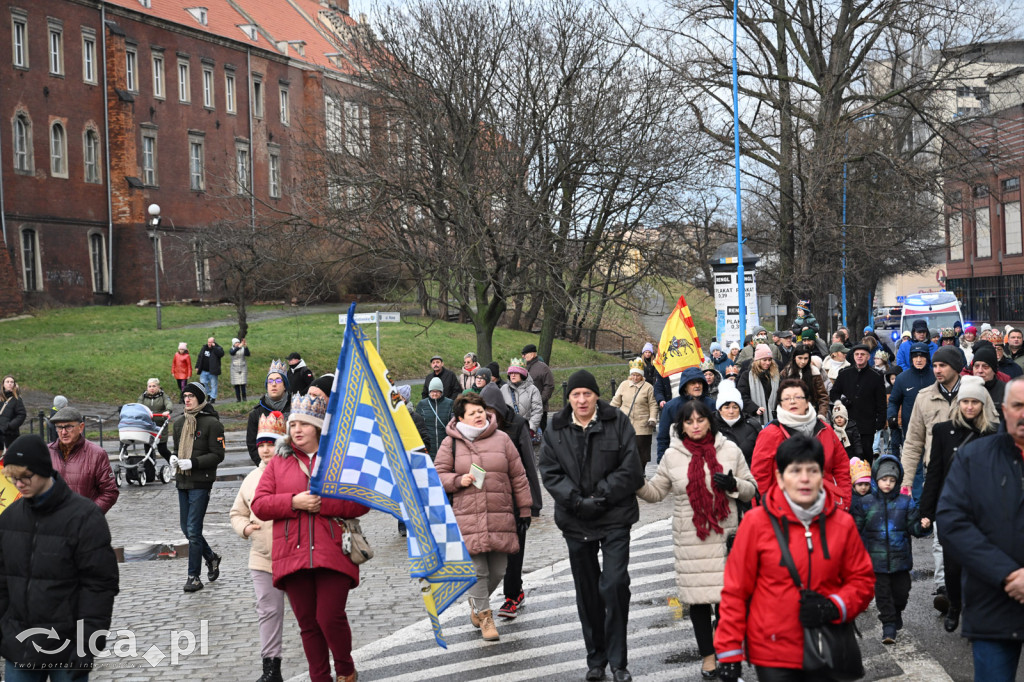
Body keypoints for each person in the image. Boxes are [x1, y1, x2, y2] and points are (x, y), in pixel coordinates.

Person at [714, 434, 875, 682]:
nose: (804, 479)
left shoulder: (842, 524)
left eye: (812, 470)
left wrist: (833, 606)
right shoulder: (756, 524)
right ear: (779, 477)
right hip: (773, 653)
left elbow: (862, 580)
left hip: (828, 647)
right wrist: (729, 652)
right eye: (795, 471)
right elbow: (736, 591)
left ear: (822, 475)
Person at [251, 394, 370, 682]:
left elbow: (362, 500)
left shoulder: (337, 458)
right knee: (308, 624)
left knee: (329, 617)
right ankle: (320, 678)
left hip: (333, 551)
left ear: (318, 427)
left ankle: (345, 669)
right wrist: (293, 502)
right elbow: (260, 504)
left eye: (304, 424)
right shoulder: (278, 463)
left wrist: (322, 504)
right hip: (292, 554)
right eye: (294, 425)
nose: (298, 430)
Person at [637, 400, 756, 678]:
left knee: (727, 603)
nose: (695, 426)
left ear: (709, 421)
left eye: (700, 420)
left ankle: (727, 656)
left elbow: (752, 489)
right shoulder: (672, 456)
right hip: (691, 539)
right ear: (682, 426)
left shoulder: (729, 449)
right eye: (689, 422)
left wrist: (734, 486)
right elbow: (656, 493)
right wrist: (636, 482)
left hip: (726, 537)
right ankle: (709, 657)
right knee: (699, 603)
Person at [539, 370, 644, 682]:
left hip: (614, 516)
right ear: (568, 398)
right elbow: (550, 471)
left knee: (613, 586)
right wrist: (576, 501)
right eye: (575, 395)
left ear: (597, 395)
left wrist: (601, 495)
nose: (582, 400)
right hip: (575, 519)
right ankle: (595, 660)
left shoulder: (617, 421)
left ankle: (618, 662)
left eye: (587, 393)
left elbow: (632, 468)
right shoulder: (555, 428)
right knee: (587, 592)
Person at [0, 434, 120, 678]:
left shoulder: (85, 517)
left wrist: (87, 645)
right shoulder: (9, 518)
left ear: (44, 471)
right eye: (13, 478)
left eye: (25, 477)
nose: (19, 484)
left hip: (67, 648)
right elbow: (2, 583)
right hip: (19, 646)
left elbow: (99, 586)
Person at [936, 376, 1024, 682]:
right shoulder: (974, 457)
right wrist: (1008, 574)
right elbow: (951, 522)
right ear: (1003, 409)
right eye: (1018, 406)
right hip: (992, 605)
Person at [434, 393, 533, 642]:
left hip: (499, 515)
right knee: (478, 570)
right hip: (467, 516)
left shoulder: (501, 439)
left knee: (499, 570)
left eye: (481, 411)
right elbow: (436, 475)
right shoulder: (451, 443)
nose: (479, 415)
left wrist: (525, 509)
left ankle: (476, 604)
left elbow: (519, 476)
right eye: (472, 413)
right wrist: (458, 480)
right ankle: (485, 616)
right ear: (460, 418)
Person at [918, 376, 997, 634]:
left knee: (979, 565)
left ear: (983, 404)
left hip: (983, 509)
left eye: (975, 402)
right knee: (952, 566)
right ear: (959, 403)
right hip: (951, 507)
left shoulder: (993, 433)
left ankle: (975, 614)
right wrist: (926, 511)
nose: (970, 407)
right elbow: (934, 473)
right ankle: (954, 605)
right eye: (966, 402)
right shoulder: (942, 431)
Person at [898, 344, 964, 611]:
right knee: (939, 534)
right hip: (936, 476)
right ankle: (944, 586)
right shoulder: (924, 397)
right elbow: (913, 442)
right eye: (934, 365)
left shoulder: (973, 394)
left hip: (970, 476)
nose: (936, 369)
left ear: (956, 367)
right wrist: (905, 483)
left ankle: (968, 586)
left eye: (942, 365)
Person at [230, 411, 288, 682]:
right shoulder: (251, 478)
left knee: (307, 614)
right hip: (262, 557)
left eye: (271, 444)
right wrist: (244, 527)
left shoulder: (293, 473)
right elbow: (237, 512)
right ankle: (270, 669)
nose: (265, 449)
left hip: (294, 554)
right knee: (268, 611)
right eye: (261, 444)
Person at [478, 384, 542, 621]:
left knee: (514, 550)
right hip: (488, 501)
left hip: (515, 500)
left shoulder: (517, 426)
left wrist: (532, 504)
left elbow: (528, 466)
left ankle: (512, 595)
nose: (486, 417)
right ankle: (484, 600)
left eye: (490, 412)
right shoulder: (475, 427)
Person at [851, 455, 926, 644]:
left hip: (901, 561)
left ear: (898, 481)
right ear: (876, 479)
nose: (888, 483)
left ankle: (897, 612)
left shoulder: (905, 502)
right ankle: (889, 628)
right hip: (876, 563)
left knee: (901, 593)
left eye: (892, 480)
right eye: (884, 479)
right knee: (883, 596)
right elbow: (854, 529)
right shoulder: (866, 503)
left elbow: (914, 529)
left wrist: (924, 526)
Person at [752, 379, 852, 511]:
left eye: (798, 397)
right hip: (784, 510)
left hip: (825, 507)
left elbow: (841, 468)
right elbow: (760, 477)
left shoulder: (825, 429)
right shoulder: (770, 434)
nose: (792, 401)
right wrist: (765, 511)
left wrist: (844, 501)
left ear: (807, 402)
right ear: (780, 404)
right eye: (786, 398)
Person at [170, 382, 224, 593]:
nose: (187, 399)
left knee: (193, 529)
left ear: (200, 398)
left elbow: (218, 455)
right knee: (187, 529)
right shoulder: (179, 422)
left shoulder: (212, 423)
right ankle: (211, 557)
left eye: (192, 396)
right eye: (185, 396)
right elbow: (176, 449)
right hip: (182, 480)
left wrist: (194, 462)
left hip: (201, 481)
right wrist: (174, 458)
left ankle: (193, 577)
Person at [47, 406, 119, 513]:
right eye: (59, 427)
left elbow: (110, 492)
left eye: (68, 427)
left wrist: (89, 514)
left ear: (81, 427)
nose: (63, 432)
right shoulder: (46, 452)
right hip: (53, 524)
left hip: (84, 525)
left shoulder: (97, 454)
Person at [829, 344, 886, 461]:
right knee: (846, 456)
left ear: (868, 357)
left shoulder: (876, 376)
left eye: (862, 354)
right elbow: (834, 393)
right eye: (857, 354)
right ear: (853, 356)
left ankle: (866, 479)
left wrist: (880, 422)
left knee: (866, 456)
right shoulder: (844, 373)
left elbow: (881, 402)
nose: (859, 357)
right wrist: (841, 401)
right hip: (846, 423)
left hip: (867, 424)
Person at [657, 366, 717, 463]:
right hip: (679, 460)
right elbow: (663, 438)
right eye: (693, 383)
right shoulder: (670, 407)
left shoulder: (712, 405)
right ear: (685, 386)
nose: (697, 385)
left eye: (700, 382)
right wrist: (661, 462)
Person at [887, 342, 934, 462]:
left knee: (933, 464)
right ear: (911, 358)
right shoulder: (902, 378)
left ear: (927, 357)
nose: (918, 360)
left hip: (934, 427)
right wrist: (892, 416)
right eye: (915, 356)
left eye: (922, 356)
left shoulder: (936, 377)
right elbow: (893, 401)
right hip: (911, 428)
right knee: (915, 465)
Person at [610, 358, 658, 468]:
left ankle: (641, 471)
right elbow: (615, 401)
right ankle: (627, 470)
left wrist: (652, 418)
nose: (635, 378)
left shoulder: (648, 387)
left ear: (641, 375)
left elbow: (652, 404)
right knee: (625, 449)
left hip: (643, 425)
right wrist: (608, 414)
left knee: (642, 451)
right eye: (633, 375)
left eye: (637, 375)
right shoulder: (624, 385)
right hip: (625, 424)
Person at [396, 384, 431, 537]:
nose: (398, 400)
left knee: (416, 494)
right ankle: (402, 524)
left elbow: (425, 439)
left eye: (401, 397)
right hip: (398, 462)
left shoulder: (416, 417)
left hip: (414, 461)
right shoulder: (393, 417)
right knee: (402, 495)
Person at [247, 360, 292, 466]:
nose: (274, 384)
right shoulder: (256, 414)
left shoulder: (295, 409)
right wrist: (264, 466)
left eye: (278, 381)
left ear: (285, 385)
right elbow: (252, 445)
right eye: (270, 381)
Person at [713, 381, 761, 467]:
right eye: (726, 407)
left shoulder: (753, 426)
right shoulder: (710, 427)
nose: (731, 411)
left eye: (735, 407)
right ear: (719, 410)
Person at [737, 345, 779, 428]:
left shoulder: (775, 376)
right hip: (754, 420)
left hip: (775, 419)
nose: (768, 363)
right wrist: (754, 408)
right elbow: (742, 395)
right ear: (757, 360)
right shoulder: (746, 376)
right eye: (764, 360)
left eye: (770, 360)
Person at [779, 347, 828, 418]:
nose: (803, 361)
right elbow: (780, 395)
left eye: (806, 358)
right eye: (800, 358)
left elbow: (823, 396)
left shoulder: (814, 373)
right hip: (790, 413)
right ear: (794, 358)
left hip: (810, 413)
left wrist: (821, 414)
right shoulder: (786, 372)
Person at [500, 357, 543, 437]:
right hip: (508, 432)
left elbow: (537, 410)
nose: (512, 375)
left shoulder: (532, 390)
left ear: (522, 374)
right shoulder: (504, 389)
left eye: (516, 372)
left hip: (526, 431)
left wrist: (531, 428)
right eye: (511, 372)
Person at [415, 377, 453, 458]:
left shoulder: (449, 404)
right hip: (428, 447)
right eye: (432, 391)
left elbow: (453, 424)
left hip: (445, 446)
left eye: (437, 391)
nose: (434, 394)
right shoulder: (422, 404)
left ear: (441, 392)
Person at [139, 378, 174, 462]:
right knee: (148, 452)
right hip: (148, 426)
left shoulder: (163, 396)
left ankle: (174, 463)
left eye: (154, 386)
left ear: (158, 387)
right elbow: (139, 405)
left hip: (160, 425)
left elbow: (169, 403)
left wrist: (167, 411)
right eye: (149, 386)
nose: (152, 388)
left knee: (162, 450)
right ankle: (150, 473)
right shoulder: (143, 396)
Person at [523, 344, 556, 431]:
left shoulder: (543, 367)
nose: (523, 356)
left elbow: (549, 386)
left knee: (540, 437)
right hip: (525, 410)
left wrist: (539, 401)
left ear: (533, 354)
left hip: (539, 410)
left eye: (525, 353)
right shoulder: (524, 368)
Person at [972, 346, 1007, 416]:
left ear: (994, 370)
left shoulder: (1006, 390)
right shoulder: (965, 389)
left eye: (985, 367)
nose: (980, 371)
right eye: (976, 366)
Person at [0, 374, 26, 450]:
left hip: (9, 435)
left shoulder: (17, 399)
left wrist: (10, 426)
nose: (10, 383)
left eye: (12, 382)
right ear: (3, 384)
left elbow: (22, 414)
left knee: (7, 458)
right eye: (7, 382)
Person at [195, 336, 225, 402]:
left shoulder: (218, 348)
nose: (209, 344)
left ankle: (213, 398)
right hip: (203, 370)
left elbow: (221, 354)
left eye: (211, 342)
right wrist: (197, 366)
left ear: (214, 342)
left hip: (213, 370)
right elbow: (200, 357)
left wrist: (214, 347)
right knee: (203, 383)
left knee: (214, 385)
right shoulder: (204, 348)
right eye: (208, 342)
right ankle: (209, 394)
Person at [230, 337, 251, 402]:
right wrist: (238, 347)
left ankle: (244, 398)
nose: (238, 343)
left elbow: (248, 354)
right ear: (233, 344)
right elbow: (232, 352)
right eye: (236, 343)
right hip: (234, 368)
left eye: (238, 342)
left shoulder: (243, 349)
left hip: (242, 367)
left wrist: (245, 347)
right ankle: (238, 399)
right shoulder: (232, 349)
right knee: (236, 385)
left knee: (243, 384)